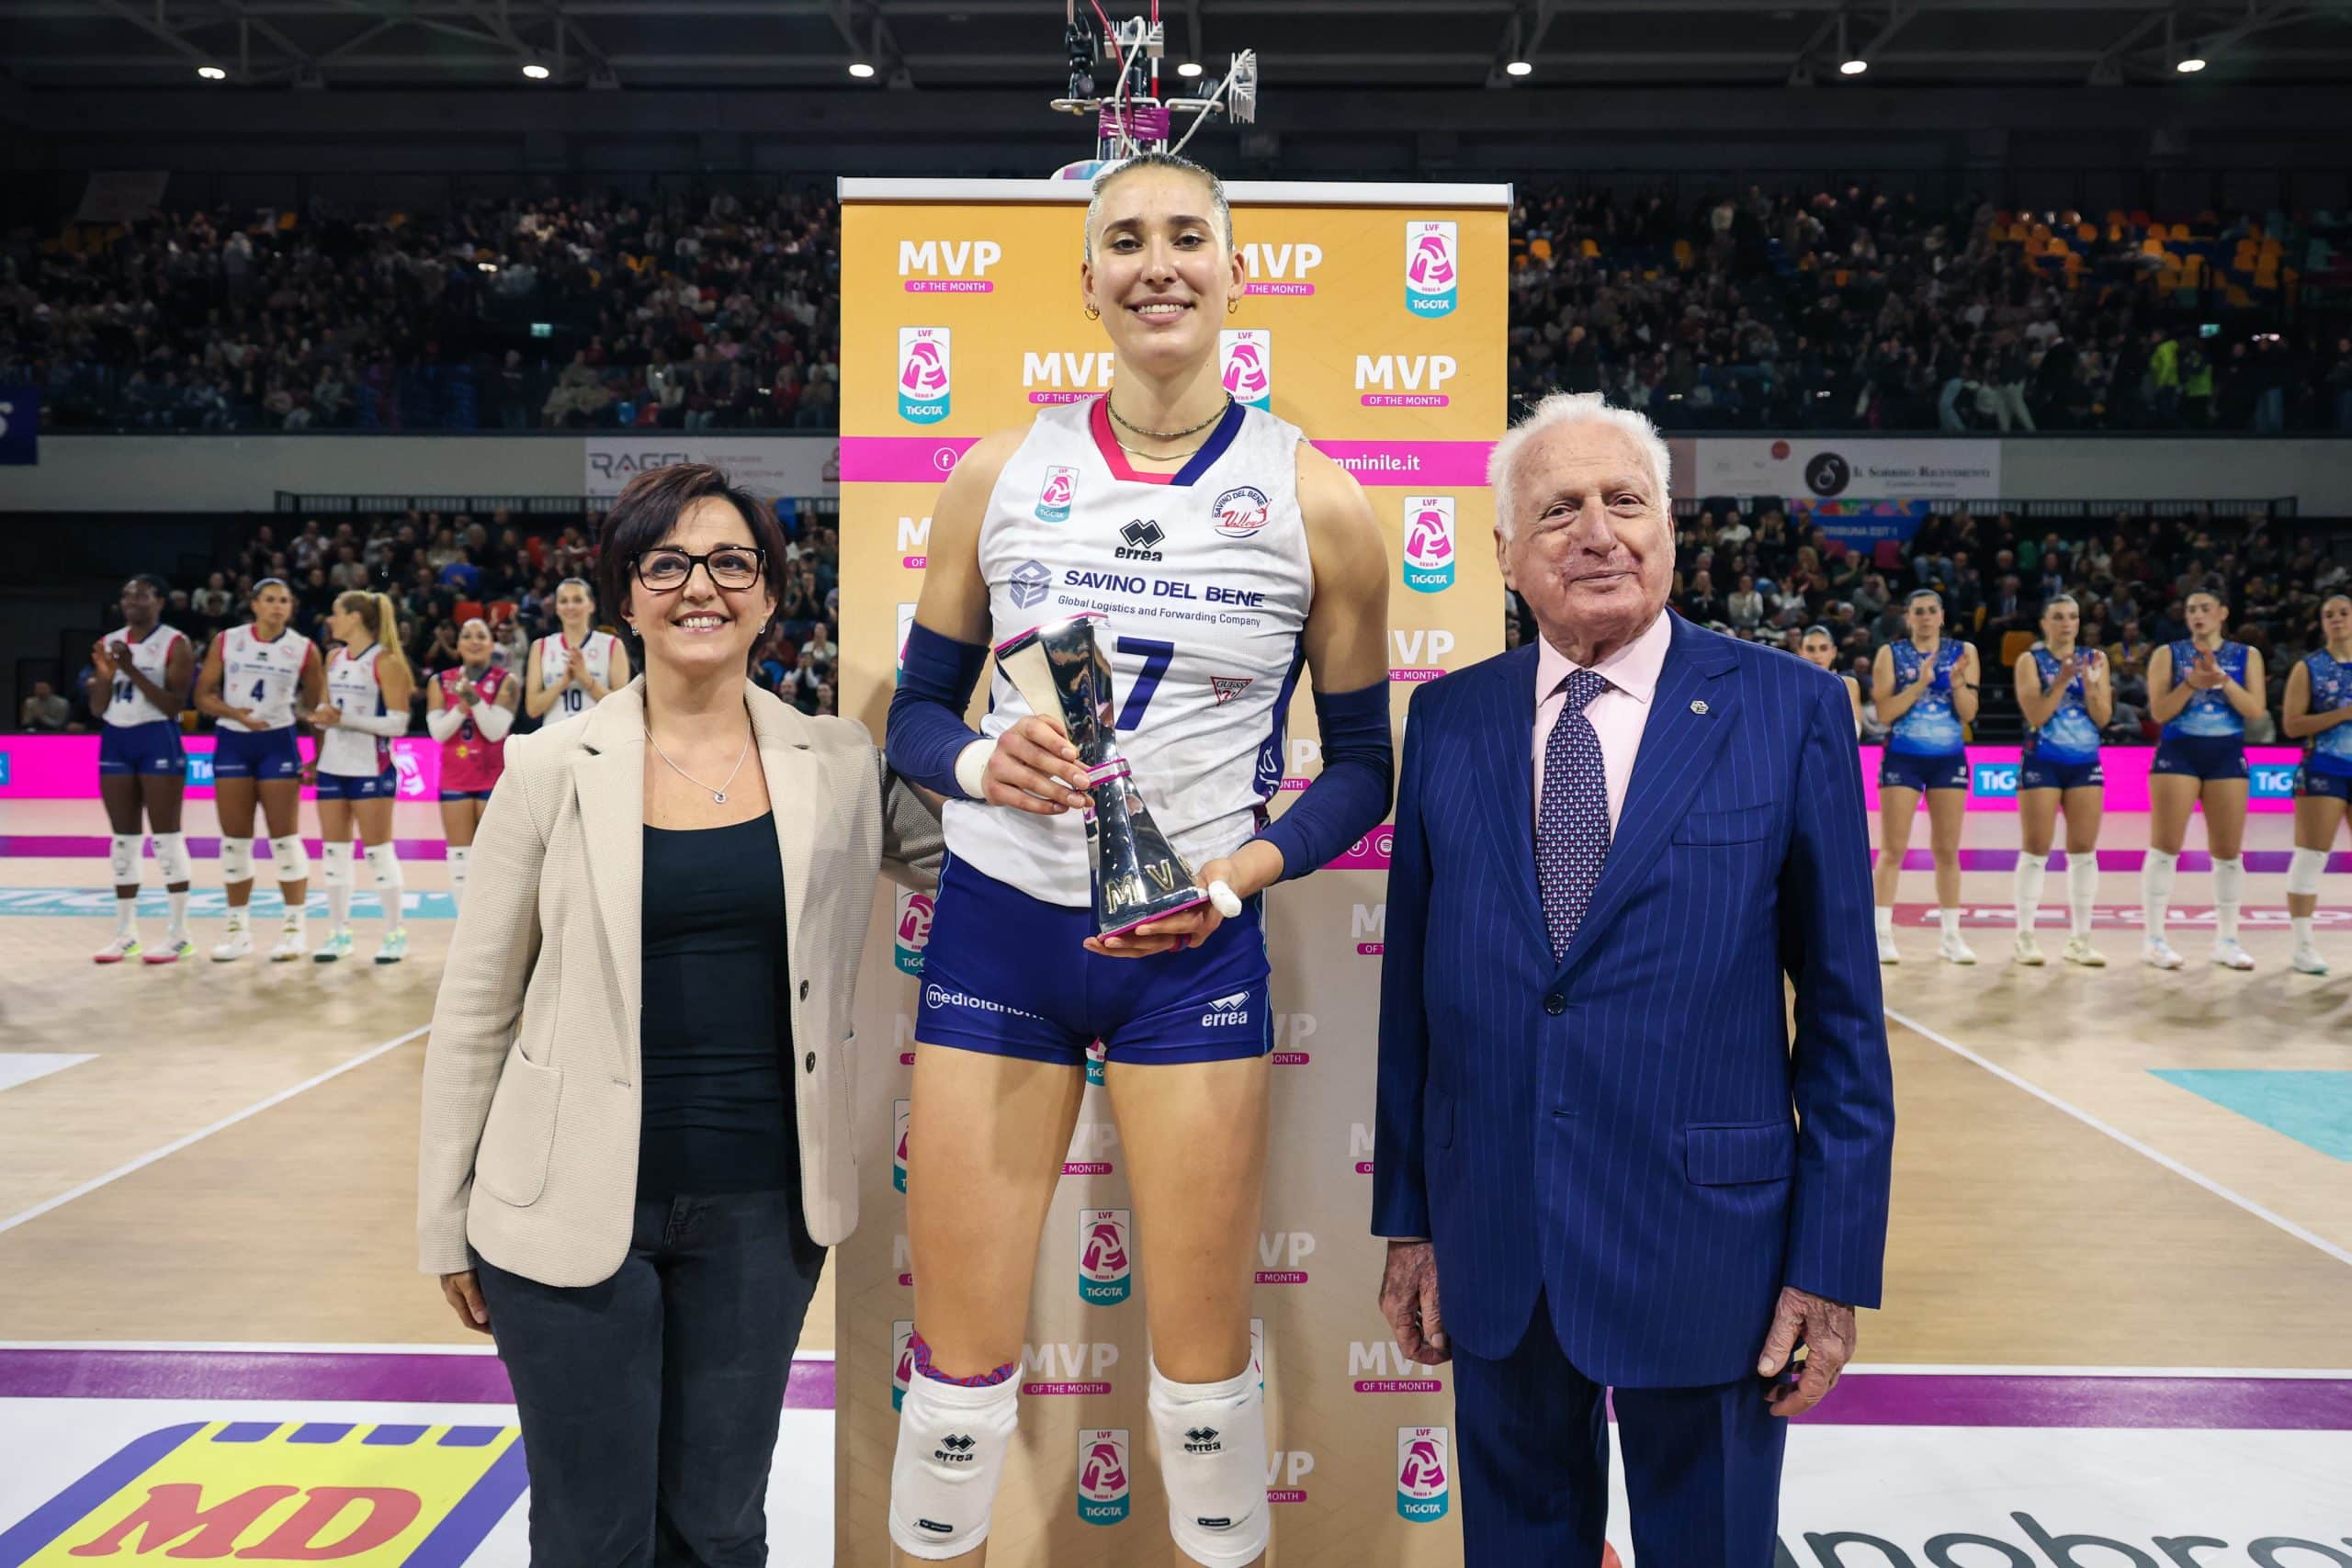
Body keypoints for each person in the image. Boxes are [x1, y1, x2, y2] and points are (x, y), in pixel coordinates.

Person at [881, 151, 1392, 1568]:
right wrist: (981, 761)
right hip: (1001, 933)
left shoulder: (1319, 498)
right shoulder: (998, 471)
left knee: (1206, 1384)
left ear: (1234, 270)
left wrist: (1236, 876)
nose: (1157, 264)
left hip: (1192, 957)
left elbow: (1364, 766)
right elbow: (916, 716)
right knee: (956, 1390)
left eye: (1184, 237)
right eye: (1125, 241)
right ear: (1088, 279)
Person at [1373, 392, 1894, 1566]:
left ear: (1668, 527)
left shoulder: (1791, 709)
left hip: (1713, 1251)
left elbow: (1844, 1019)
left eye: (1625, 500)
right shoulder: (1447, 721)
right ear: (1503, 553)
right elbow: (1413, 1005)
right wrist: (1409, 1225)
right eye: (1558, 510)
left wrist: (1828, 1265)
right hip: (1497, 1241)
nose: (1597, 533)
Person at [417, 462, 942, 1565]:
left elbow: (977, 863)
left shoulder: (839, 761)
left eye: (731, 563)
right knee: (591, 1535)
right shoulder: (548, 765)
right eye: (667, 564)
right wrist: (443, 1217)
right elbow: (474, 1008)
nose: (700, 586)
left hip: (762, 1209)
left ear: (769, 593)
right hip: (562, 1205)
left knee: (717, 1528)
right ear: (625, 593)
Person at [195, 578, 323, 962]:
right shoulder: (227, 640)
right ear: (254, 604)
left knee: (285, 839)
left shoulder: (304, 648)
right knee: (235, 841)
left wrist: (318, 755)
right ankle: (237, 932)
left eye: (284, 600)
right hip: (233, 740)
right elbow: (202, 695)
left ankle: (294, 930)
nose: (277, 606)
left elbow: (316, 709)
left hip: (277, 742)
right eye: (270, 599)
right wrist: (234, 714)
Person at [2143, 589, 2267, 970]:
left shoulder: (2247, 656)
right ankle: (2154, 940)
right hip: (2178, 752)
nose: (2197, 614)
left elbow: (2255, 710)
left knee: (2228, 853)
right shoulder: (2168, 654)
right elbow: (2160, 712)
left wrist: (2222, 679)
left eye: (2205, 608)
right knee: (2166, 847)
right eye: (2191, 609)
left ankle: (2227, 941)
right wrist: (2192, 683)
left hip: (2226, 754)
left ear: (2223, 613)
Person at [85, 575, 197, 964]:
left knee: (166, 838)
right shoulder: (109, 641)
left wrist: (130, 670)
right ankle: (125, 933)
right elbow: (97, 708)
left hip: (158, 738)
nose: (132, 601)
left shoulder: (176, 643)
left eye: (141, 595)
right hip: (116, 738)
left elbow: (174, 706)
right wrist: (105, 676)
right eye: (127, 596)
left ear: (160, 601)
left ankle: (179, 934)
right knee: (124, 841)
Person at [1871, 590, 1980, 964]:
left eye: (1932, 610)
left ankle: (1951, 936)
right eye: (1919, 611)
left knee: (1947, 850)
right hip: (1902, 758)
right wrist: (1920, 683)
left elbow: (1968, 714)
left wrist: (1957, 682)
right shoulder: (1890, 654)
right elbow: (1884, 713)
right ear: (1908, 617)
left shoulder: (1964, 652)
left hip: (1948, 759)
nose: (1926, 617)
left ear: (1942, 616)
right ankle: (1881, 934)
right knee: (1893, 848)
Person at [309, 591, 417, 964]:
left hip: (372, 767)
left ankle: (395, 933)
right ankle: (339, 933)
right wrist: (321, 720)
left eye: (336, 613)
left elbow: (399, 724)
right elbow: (327, 708)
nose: (330, 620)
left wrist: (345, 720)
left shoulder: (385, 661)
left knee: (378, 852)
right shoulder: (333, 658)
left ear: (354, 618)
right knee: (334, 854)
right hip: (332, 765)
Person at [2011, 595, 2112, 968]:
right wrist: (2062, 681)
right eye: (2058, 617)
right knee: (2036, 848)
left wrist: (2090, 686)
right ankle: (2025, 937)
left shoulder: (2096, 659)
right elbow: (2036, 714)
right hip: (2042, 760)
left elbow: (2103, 718)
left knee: (2084, 851)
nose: (2067, 623)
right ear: (2045, 623)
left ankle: (2080, 940)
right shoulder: (2030, 661)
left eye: (2072, 616)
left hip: (2085, 763)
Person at [426, 617, 521, 910]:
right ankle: (463, 925)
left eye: (481, 636)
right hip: (455, 778)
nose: (474, 641)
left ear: (492, 645)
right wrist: (461, 707)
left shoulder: (506, 681)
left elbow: (495, 731)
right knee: (460, 859)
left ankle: (497, 923)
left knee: (497, 858)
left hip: (493, 779)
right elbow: (438, 733)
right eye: (467, 636)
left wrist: (474, 700)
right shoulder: (439, 681)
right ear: (458, 645)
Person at [2281, 593, 2352, 975]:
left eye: (2343, 613)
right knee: (2311, 855)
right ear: (2322, 623)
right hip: (2324, 767)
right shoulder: (2308, 668)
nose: (2336, 619)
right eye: (2329, 615)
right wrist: (2344, 714)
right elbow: (2292, 725)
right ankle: (2303, 946)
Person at [526, 577, 632, 725]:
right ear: (557, 608)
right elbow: (532, 709)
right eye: (563, 601)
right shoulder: (541, 646)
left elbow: (621, 707)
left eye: (577, 600)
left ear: (591, 606)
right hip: (555, 735)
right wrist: (563, 682)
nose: (570, 606)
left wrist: (586, 680)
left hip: (597, 734)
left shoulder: (613, 645)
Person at [1797, 624, 1861, 736]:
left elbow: (1854, 732)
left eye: (1823, 648)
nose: (1817, 655)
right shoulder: (1791, 685)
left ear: (1833, 652)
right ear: (1800, 652)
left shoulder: (1847, 684)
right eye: (1810, 649)